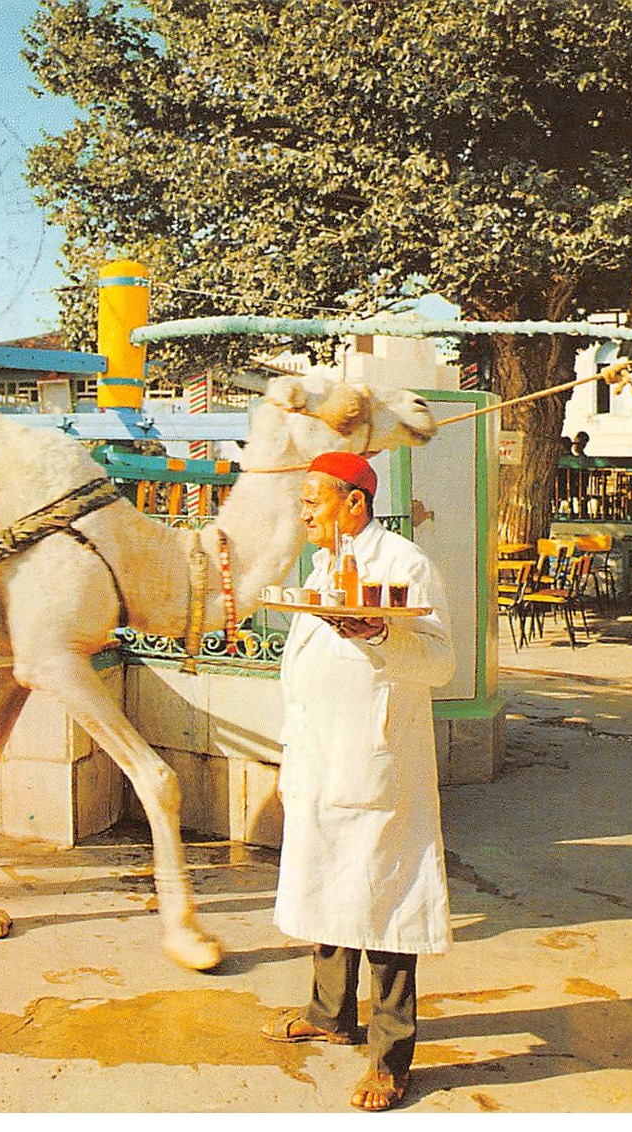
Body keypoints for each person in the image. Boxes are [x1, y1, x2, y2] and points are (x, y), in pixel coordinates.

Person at [261, 451, 454, 1112]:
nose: (304, 510)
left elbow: (439, 663)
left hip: (378, 762)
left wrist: (375, 633)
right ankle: (329, 1012)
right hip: (321, 760)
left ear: (354, 502)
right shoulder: (320, 568)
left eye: (314, 499)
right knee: (326, 882)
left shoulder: (404, 563)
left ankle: (391, 1056)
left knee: (386, 904)